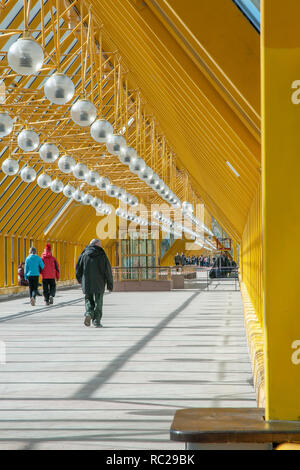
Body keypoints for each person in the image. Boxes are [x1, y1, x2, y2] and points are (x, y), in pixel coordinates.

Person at [75, 239, 113, 328]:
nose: (101, 246)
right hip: (99, 282)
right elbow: (107, 271)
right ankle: (96, 321)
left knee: (88, 299)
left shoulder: (84, 254)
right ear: (96, 244)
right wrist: (109, 284)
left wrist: (81, 280)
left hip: (87, 282)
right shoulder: (102, 255)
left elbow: (78, 269)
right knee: (98, 301)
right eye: (100, 244)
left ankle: (89, 313)